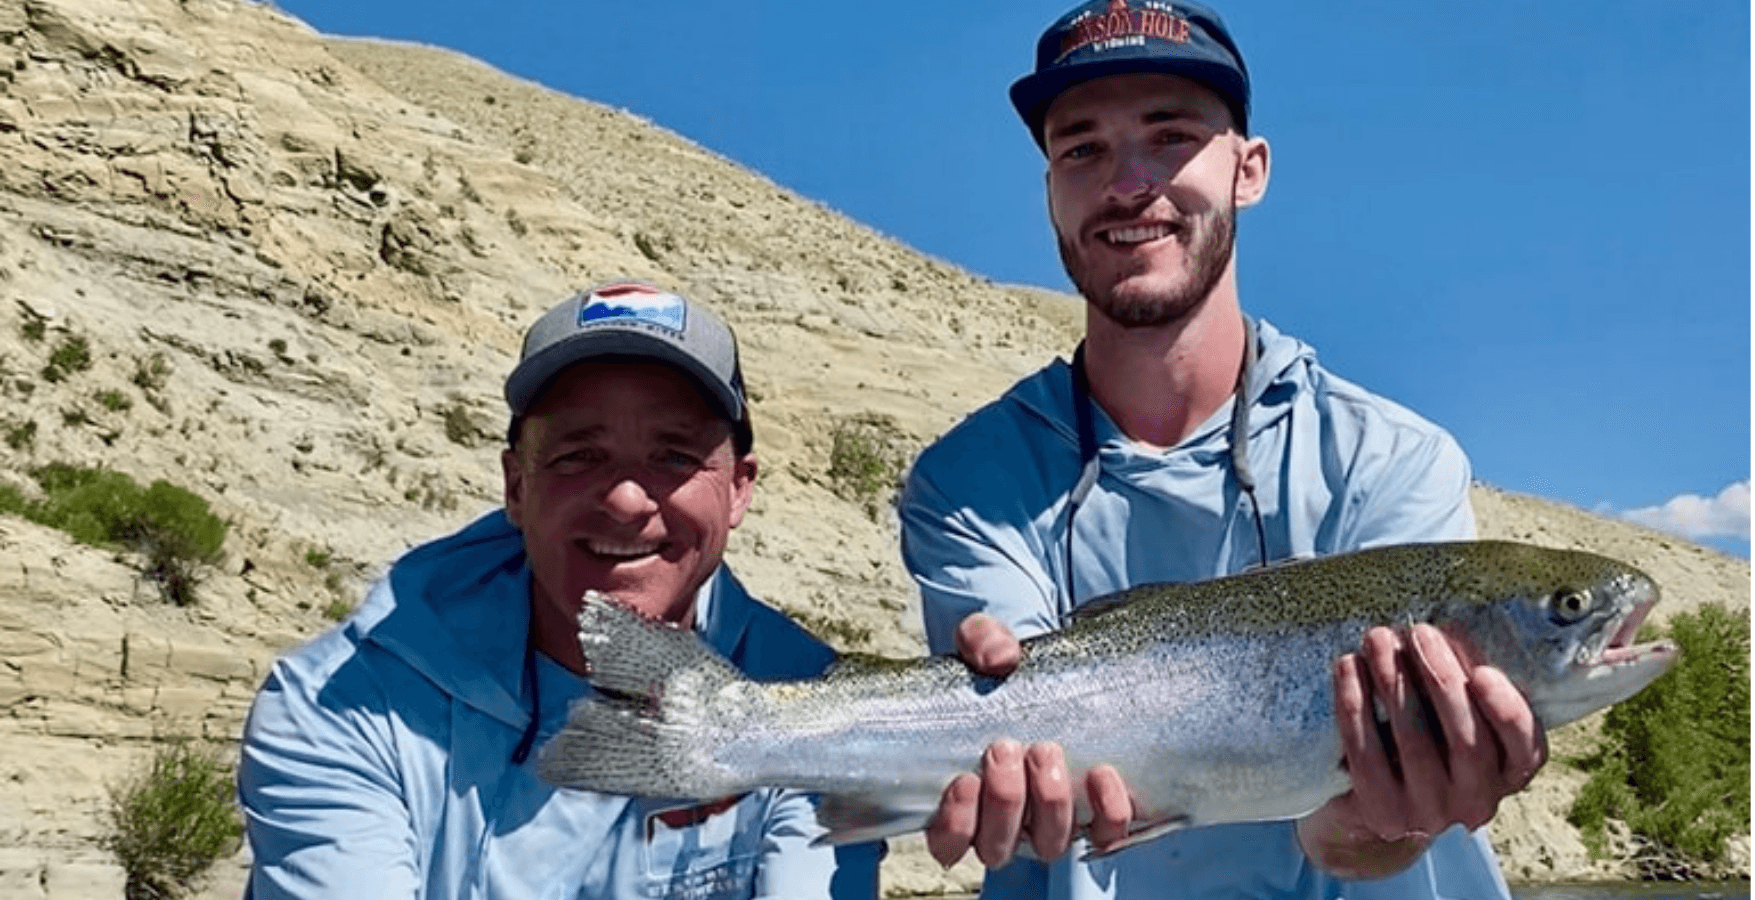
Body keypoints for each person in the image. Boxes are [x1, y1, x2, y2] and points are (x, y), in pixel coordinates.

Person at [899, 2, 1545, 898]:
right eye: (1080, 149)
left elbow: (1352, 837)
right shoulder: (964, 484)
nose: (1127, 183)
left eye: (1169, 137)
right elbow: (1009, 735)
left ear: (1248, 170)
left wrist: (1382, 816)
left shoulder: (1390, 461)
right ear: (1048, 187)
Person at [237, 280, 881, 899]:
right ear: (516, 487)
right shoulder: (341, 705)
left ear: (739, 488)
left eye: (675, 456)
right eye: (578, 455)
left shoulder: (820, 708)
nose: (628, 500)